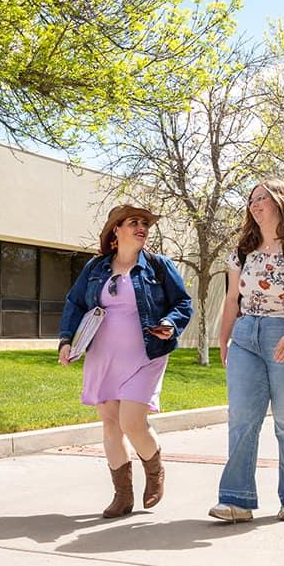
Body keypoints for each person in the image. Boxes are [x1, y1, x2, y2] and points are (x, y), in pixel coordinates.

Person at [58, 205, 193, 519]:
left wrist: (171, 323)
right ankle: (122, 495)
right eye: (134, 222)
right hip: (103, 353)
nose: (141, 227)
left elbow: (183, 302)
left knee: (132, 421)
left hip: (146, 352)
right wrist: (67, 339)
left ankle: (155, 470)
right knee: (110, 422)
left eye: (144, 223)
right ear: (115, 230)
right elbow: (75, 302)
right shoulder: (96, 268)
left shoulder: (159, 266)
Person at [211, 179, 284, 523]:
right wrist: (225, 338)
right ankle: (236, 500)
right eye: (252, 200)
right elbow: (233, 298)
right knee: (242, 419)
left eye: (262, 198)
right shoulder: (244, 249)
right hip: (248, 333)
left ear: (281, 202)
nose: (255, 204)